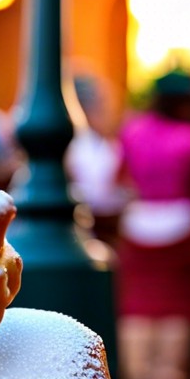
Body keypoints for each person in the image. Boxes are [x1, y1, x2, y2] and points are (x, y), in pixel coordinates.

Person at [117, 70, 190, 379]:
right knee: (176, 302)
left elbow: (121, 179)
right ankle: (169, 374)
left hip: (139, 223)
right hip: (183, 223)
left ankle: (139, 371)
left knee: (139, 301)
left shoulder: (132, 131)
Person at [65, 74, 130, 249]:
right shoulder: (79, 145)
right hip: (84, 235)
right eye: (102, 104)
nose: (110, 111)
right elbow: (98, 197)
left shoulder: (101, 143)